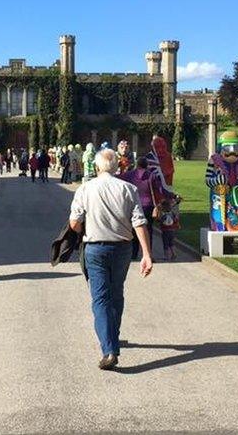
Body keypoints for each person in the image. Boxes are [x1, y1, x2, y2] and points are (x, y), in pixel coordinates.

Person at [69, 148, 154, 370]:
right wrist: (146, 254)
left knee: (100, 298)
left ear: (97, 167)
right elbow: (139, 222)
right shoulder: (128, 189)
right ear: (117, 167)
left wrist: (85, 225)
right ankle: (112, 336)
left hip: (95, 248)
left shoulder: (85, 189)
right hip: (122, 248)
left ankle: (109, 349)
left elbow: (75, 223)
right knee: (116, 293)